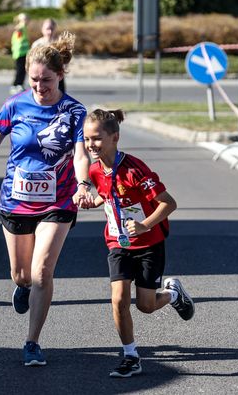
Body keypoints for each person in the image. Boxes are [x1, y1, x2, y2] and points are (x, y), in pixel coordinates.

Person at [0, 31, 92, 366]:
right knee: (22, 275)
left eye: (46, 80)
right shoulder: (15, 105)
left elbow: (80, 153)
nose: (39, 87)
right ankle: (21, 287)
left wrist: (83, 183)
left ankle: (32, 341)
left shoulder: (74, 110)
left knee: (42, 272)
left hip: (58, 201)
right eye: (33, 80)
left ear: (60, 75)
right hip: (16, 200)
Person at [80, 108, 195, 378]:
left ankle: (173, 294)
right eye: (86, 139)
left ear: (115, 137)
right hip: (117, 243)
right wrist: (90, 201)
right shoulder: (96, 170)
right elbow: (106, 196)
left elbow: (169, 203)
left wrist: (144, 225)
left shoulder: (135, 169)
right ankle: (130, 355)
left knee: (145, 305)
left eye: (96, 138)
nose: (90, 145)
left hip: (149, 244)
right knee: (118, 299)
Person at [32, 18, 65, 93]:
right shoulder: (37, 44)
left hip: (57, 76)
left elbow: (65, 61)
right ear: (42, 29)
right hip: (41, 76)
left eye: (52, 29)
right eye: (47, 29)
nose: (49, 32)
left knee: (60, 96)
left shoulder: (59, 44)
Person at [9, 12, 30, 95]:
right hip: (19, 53)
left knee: (23, 70)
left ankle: (19, 84)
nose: (26, 21)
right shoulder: (20, 28)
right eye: (24, 19)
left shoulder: (24, 28)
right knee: (19, 70)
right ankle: (15, 85)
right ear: (20, 20)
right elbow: (18, 32)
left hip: (24, 52)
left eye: (27, 19)